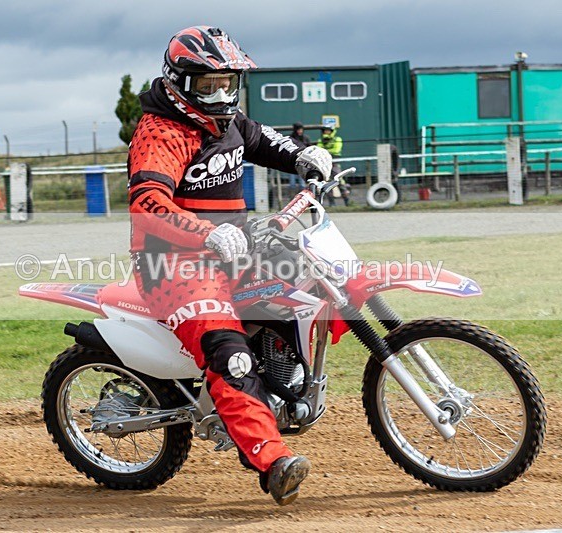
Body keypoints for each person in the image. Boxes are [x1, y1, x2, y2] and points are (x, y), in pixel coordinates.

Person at [127, 26, 333, 505]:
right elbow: (147, 201)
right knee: (229, 351)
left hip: (233, 252)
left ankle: (280, 385)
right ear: (179, 82)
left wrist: (302, 156)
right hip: (173, 265)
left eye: (227, 84)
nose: (220, 95)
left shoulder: (229, 121)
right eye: (208, 85)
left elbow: (262, 141)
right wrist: (205, 232)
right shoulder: (162, 132)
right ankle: (271, 459)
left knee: (307, 282)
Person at [315, 125, 350, 206]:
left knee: (339, 180)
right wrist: (327, 151)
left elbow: (336, 150)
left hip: (335, 163)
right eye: (325, 130)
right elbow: (318, 150)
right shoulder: (320, 140)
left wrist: (324, 151)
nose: (326, 132)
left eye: (328, 130)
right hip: (324, 164)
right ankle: (332, 203)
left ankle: (347, 201)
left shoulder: (337, 139)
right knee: (327, 182)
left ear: (332, 131)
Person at [285, 122, 312, 189]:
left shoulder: (305, 138)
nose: (300, 131)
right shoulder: (290, 138)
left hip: (302, 161)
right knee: (292, 183)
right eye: (298, 130)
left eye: (301, 130)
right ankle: (292, 192)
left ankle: (300, 192)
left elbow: (309, 147)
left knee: (302, 182)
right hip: (292, 161)